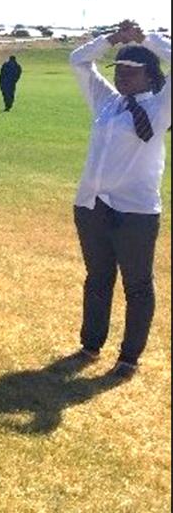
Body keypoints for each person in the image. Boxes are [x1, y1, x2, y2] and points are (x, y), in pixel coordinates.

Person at [67, 19, 170, 379]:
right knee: (97, 278)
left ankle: (129, 357)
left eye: (132, 69)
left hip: (135, 212)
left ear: (150, 76)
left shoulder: (160, 108)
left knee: (137, 285)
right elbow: (78, 60)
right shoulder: (107, 102)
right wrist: (112, 39)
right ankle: (90, 345)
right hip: (92, 205)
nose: (123, 74)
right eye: (120, 68)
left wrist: (147, 39)